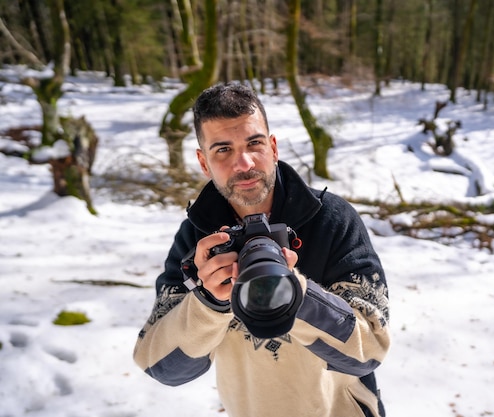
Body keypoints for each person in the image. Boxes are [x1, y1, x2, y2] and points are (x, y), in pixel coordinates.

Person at [133, 83, 390, 417]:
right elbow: (160, 366)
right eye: (222, 150)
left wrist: (296, 294)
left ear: (273, 146)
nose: (244, 163)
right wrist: (208, 302)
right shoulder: (197, 238)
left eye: (254, 143)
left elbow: (369, 351)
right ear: (203, 161)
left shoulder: (331, 219)